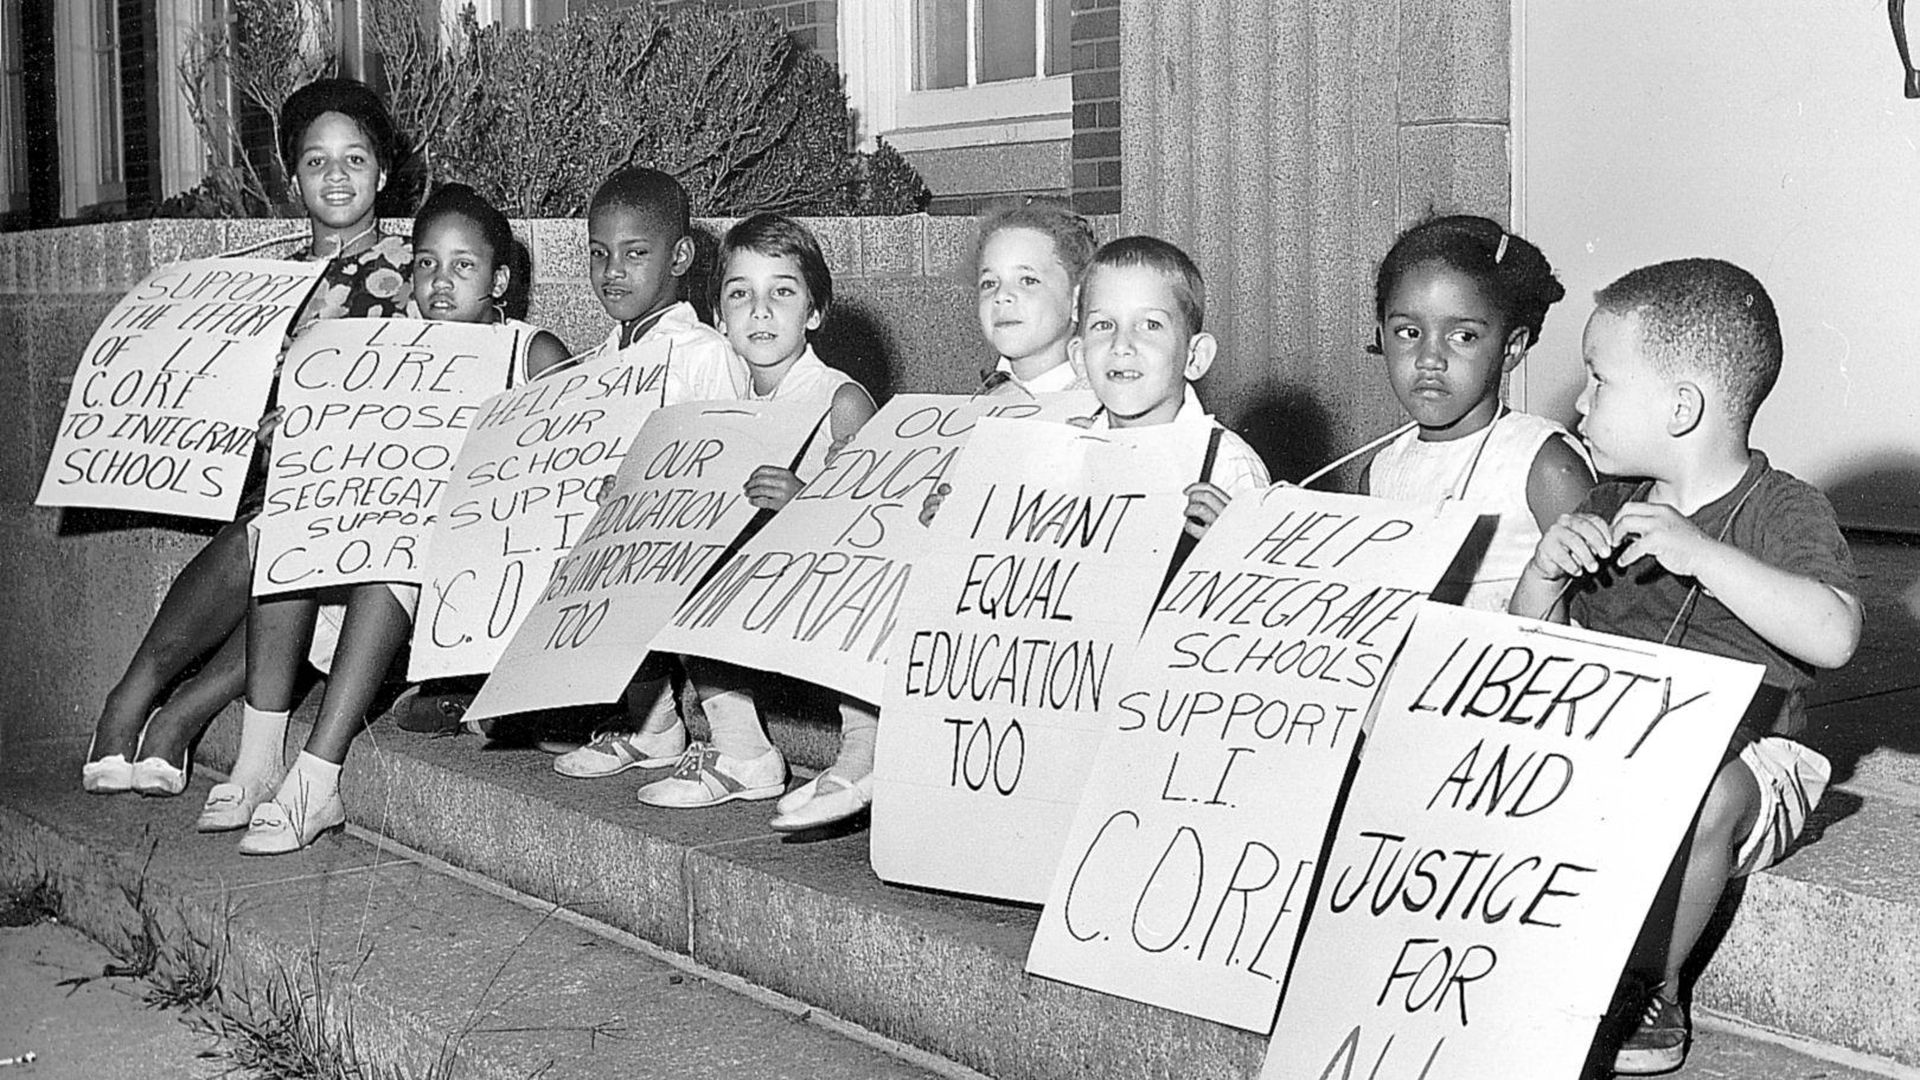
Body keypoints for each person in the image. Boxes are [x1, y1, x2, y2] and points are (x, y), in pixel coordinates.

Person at [1508, 258, 1861, 1075]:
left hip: (1751, 762)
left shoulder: (1784, 509)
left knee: (1709, 785)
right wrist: (1544, 578)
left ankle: (1651, 982)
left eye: (1599, 381)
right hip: (1615, 739)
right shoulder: (1604, 504)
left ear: (1682, 407)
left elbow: (1836, 635)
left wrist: (1704, 554)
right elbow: (1525, 657)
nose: (1581, 402)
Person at [202, 183, 569, 854]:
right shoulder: (383, 354)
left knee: (396, 547)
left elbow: (562, 476)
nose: (440, 282)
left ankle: (317, 779)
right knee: (299, 521)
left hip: (477, 572)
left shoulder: (530, 352)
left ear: (501, 278)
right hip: (392, 561)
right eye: (426, 263)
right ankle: (258, 762)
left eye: (464, 266)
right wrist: (297, 430)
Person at [83, 77, 412, 797]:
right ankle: (137, 698)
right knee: (268, 529)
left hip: (366, 489)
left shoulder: (417, 273)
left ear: (383, 172)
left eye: (354, 159)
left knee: (276, 535)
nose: (337, 176)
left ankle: (173, 712)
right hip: (264, 478)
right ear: (293, 178)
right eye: (317, 161)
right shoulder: (261, 277)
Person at [628, 214, 879, 830]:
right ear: (719, 318)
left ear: (815, 312)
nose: (760, 312)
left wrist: (804, 501)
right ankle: (741, 747)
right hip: (754, 591)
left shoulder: (839, 399)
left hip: (830, 591)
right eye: (741, 294)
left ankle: (866, 745)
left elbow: (875, 527)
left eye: (782, 293)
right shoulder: (727, 412)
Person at [539, 167, 750, 778]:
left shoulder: (705, 354)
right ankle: (652, 721)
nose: (613, 272)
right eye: (599, 254)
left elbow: (727, 463)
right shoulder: (602, 358)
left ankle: (735, 736)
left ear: (681, 255)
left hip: (695, 538)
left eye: (635, 254)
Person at [1361, 215, 1595, 611]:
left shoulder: (1543, 464)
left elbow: (1603, 616)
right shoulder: (1380, 471)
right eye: (1408, 332)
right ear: (1382, 335)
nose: (1430, 359)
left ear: (1511, 348)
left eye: (1463, 336)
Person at [1074, 236, 1270, 541]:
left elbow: (1255, 582)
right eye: (1103, 325)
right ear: (1078, 357)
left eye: (1150, 325)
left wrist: (1231, 547)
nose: (1121, 345)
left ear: (1195, 357)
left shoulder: (1229, 465)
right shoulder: (1062, 455)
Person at [972, 199, 1096, 396]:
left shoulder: (1103, 408)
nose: (1001, 296)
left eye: (1028, 280)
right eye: (989, 283)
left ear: (1077, 300)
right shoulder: (976, 404)